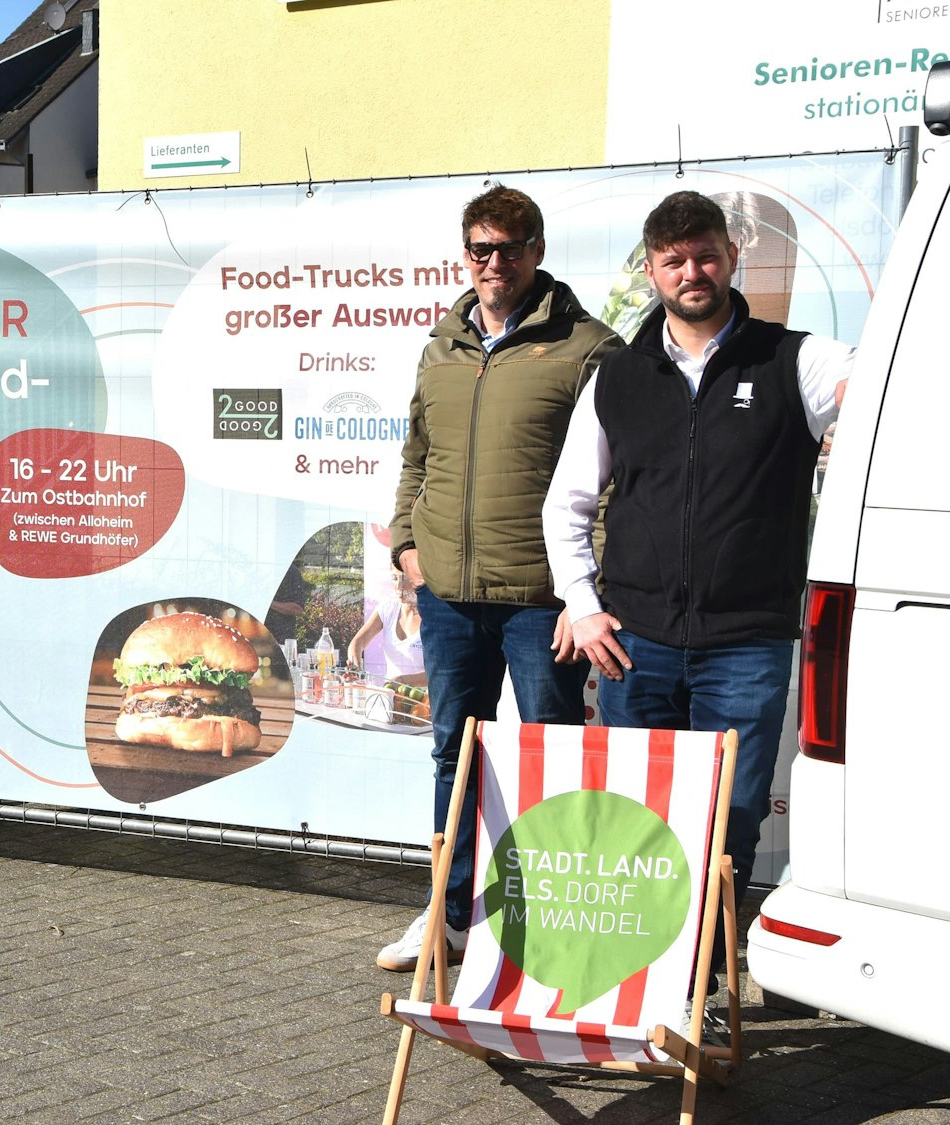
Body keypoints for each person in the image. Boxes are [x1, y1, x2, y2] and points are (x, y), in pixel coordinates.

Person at [545, 190, 851, 994]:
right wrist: (582, 603)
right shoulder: (617, 376)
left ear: (731, 256)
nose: (693, 272)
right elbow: (567, 502)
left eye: (706, 254)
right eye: (675, 260)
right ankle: (633, 982)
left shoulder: (797, 360)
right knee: (637, 821)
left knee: (729, 824)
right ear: (651, 269)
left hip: (745, 644)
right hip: (635, 643)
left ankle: (702, 991)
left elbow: (880, 396)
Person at [378, 185, 621, 971]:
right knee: (456, 755)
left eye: (510, 249)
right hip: (448, 594)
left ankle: (543, 932)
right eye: (481, 249)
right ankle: (450, 918)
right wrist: (407, 546)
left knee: (551, 756)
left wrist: (586, 591)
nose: (495, 264)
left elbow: (617, 482)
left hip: (541, 603)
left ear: (536, 253)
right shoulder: (440, 346)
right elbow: (419, 455)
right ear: (466, 255)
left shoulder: (589, 347)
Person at [348, 572, 425, 684]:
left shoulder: (434, 616)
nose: (399, 586)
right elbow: (358, 642)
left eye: (406, 579)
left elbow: (442, 672)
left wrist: (402, 681)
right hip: (390, 696)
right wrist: (355, 668)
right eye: (394, 578)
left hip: (425, 699)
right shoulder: (389, 608)